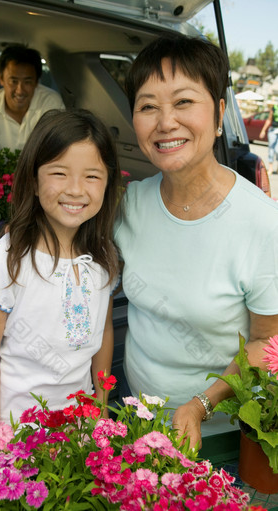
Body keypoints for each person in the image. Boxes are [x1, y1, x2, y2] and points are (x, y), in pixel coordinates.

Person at [114, 33, 278, 449]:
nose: (165, 122)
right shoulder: (128, 203)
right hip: (136, 417)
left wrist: (201, 404)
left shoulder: (260, 223)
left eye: (184, 102)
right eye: (148, 106)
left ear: (220, 112)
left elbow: (268, 342)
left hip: (220, 435)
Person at [0, 108, 121, 429]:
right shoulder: (8, 259)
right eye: (59, 173)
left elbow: (103, 332)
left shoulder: (104, 257)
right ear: (34, 182)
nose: (76, 189)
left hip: (79, 426)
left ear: (107, 185)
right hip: (15, 427)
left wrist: (101, 407)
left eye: (92, 176)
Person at [0, 44, 65, 153]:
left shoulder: (51, 103)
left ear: (36, 81)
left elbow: (57, 152)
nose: (20, 90)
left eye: (27, 82)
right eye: (13, 81)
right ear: (1, 78)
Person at [259, 100, 278, 175]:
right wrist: (263, 130)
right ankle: (270, 168)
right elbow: (269, 120)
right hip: (273, 130)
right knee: (271, 148)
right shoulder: (274, 108)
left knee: (277, 150)